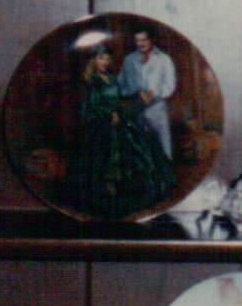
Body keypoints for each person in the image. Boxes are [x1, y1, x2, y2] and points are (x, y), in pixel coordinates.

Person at [70, 44, 175, 218]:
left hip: (120, 120)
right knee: (103, 158)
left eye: (107, 58)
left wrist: (138, 96)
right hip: (102, 124)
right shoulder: (91, 82)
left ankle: (131, 192)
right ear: (94, 60)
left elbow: (120, 98)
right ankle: (107, 194)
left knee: (139, 149)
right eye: (101, 58)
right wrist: (108, 115)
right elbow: (91, 105)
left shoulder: (112, 78)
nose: (105, 61)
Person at [120, 27, 178, 160]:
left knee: (163, 147)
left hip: (157, 109)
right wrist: (135, 93)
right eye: (137, 40)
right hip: (136, 110)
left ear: (151, 39)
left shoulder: (164, 59)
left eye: (144, 39)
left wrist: (154, 93)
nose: (141, 43)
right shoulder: (129, 60)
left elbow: (170, 85)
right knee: (140, 149)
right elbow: (121, 85)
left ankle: (166, 172)